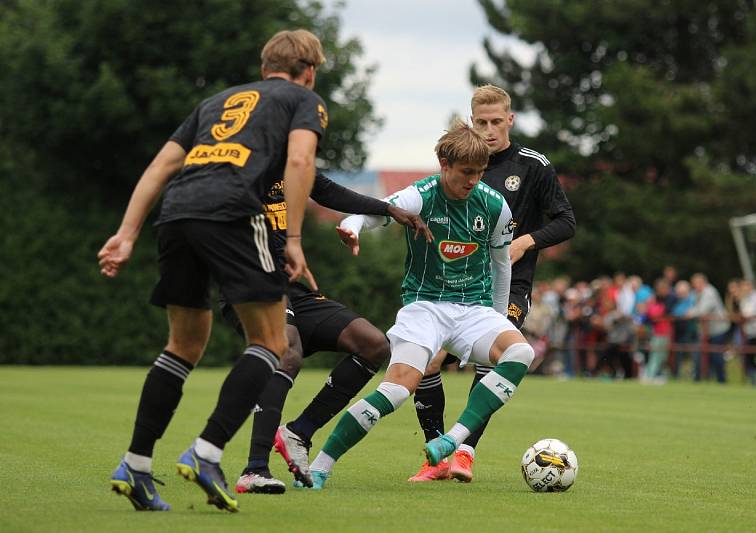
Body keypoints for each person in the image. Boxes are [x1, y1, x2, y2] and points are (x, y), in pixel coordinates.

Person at [99, 29, 327, 512]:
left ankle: (136, 465)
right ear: (308, 71)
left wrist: (126, 233)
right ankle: (207, 452)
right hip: (233, 212)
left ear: (265, 66)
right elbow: (302, 159)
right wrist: (292, 239)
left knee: (183, 344)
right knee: (272, 341)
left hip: (177, 212)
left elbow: (162, 166)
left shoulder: (216, 102)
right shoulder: (302, 99)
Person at [304, 119, 537, 489]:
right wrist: (352, 223)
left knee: (521, 353)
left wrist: (497, 320)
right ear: (444, 165)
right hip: (424, 307)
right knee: (397, 390)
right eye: (465, 172)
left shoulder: (495, 206)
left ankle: (454, 441)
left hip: (473, 310)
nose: (473, 180)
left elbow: (501, 264)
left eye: (479, 172)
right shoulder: (423, 194)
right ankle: (319, 465)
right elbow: (381, 210)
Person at [223, 173, 431, 493]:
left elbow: (328, 192)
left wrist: (388, 209)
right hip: (250, 282)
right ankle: (254, 469)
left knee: (373, 344)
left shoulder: (291, 157)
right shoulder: (240, 158)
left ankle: (299, 432)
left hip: (290, 285)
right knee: (287, 352)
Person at [410, 84, 575, 483]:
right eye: (480, 122)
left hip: (509, 285)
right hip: (456, 287)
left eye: (496, 122)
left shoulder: (533, 166)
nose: (489, 130)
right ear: (471, 121)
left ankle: (463, 451)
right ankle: (437, 458)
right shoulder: (462, 166)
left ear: (510, 120)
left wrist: (525, 241)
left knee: (494, 360)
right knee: (428, 363)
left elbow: (566, 221)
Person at [686, 273, 730, 384]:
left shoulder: (709, 292)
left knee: (716, 355)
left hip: (717, 330)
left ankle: (721, 380)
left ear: (702, 282)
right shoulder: (699, 293)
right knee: (704, 355)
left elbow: (703, 310)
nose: (694, 286)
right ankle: (703, 379)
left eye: (695, 283)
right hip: (708, 331)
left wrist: (691, 313)